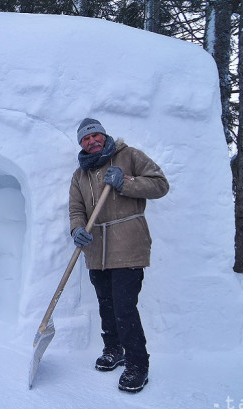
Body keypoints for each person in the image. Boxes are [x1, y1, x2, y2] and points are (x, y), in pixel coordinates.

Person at [69, 118, 169, 393]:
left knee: (124, 307)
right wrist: (77, 229)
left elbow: (160, 184)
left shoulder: (128, 156)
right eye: (85, 139)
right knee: (106, 304)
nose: (91, 141)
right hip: (96, 249)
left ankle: (138, 364)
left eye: (95, 136)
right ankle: (114, 349)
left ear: (104, 135)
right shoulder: (80, 175)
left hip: (128, 245)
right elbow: (76, 209)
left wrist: (126, 182)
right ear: (81, 144)